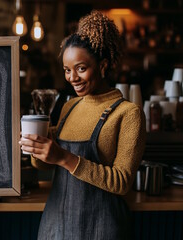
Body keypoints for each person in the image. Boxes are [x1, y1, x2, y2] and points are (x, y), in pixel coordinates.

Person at [19, 10, 146, 240]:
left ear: (103, 65)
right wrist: (36, 149)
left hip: (102, 229)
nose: (72, 78)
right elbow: (46, 165)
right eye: (67, 70)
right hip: (56, 226)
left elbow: (121, 182)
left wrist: (63, 158)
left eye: (81, 68)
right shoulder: (70, 107)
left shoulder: (128, 114)